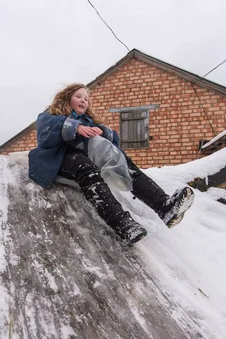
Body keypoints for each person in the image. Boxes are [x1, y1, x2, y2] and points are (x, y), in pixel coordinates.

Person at [28, 83, 194, 245]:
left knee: (125, 165)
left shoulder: (89, 121)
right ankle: (123, 224)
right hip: (58, 158)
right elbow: (44, 132)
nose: (84, 101)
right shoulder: (50, 115)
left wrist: (103, 131)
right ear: (66, 98)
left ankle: (165, 207)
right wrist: (74, 127)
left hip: (85, 158)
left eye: (86, 99)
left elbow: (113, 141)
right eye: (79, 96)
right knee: (85, 166)